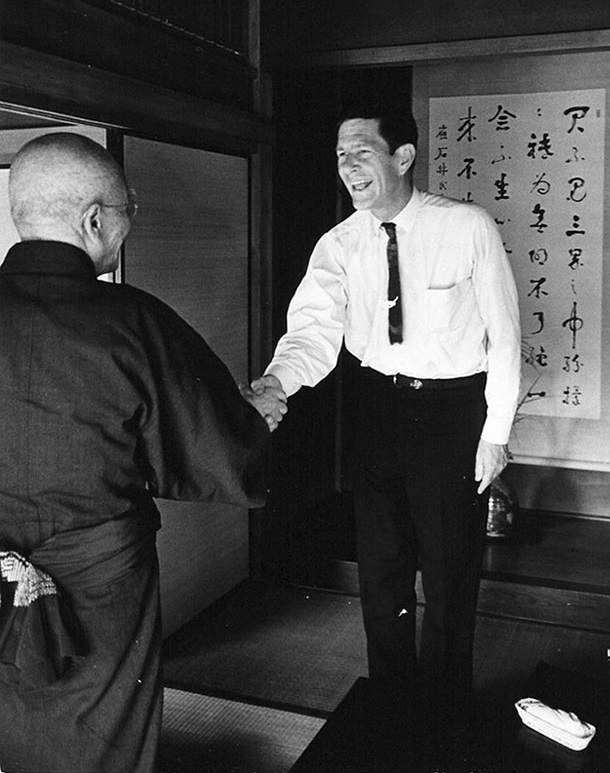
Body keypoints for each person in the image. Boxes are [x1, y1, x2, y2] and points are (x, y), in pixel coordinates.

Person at [0, 132, 285, 773]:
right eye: (128, 208)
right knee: (101, 733)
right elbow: (215, 449)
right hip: (96, 581)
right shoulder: (132, 320)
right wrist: (251, 419)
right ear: (94, 219)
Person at [253, 101, 521, 757]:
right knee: (381, 571)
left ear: (403, 156)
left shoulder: (467, 226)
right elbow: (312, 332)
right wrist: (273, 384)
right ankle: (395, 710)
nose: (348, 167)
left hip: (453, 414)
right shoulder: (338, 244)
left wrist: (496, 430)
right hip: (376, 409)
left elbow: (507, 333)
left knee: (451, 573)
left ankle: (447, 715)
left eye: (361, 152)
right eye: (340, 156)